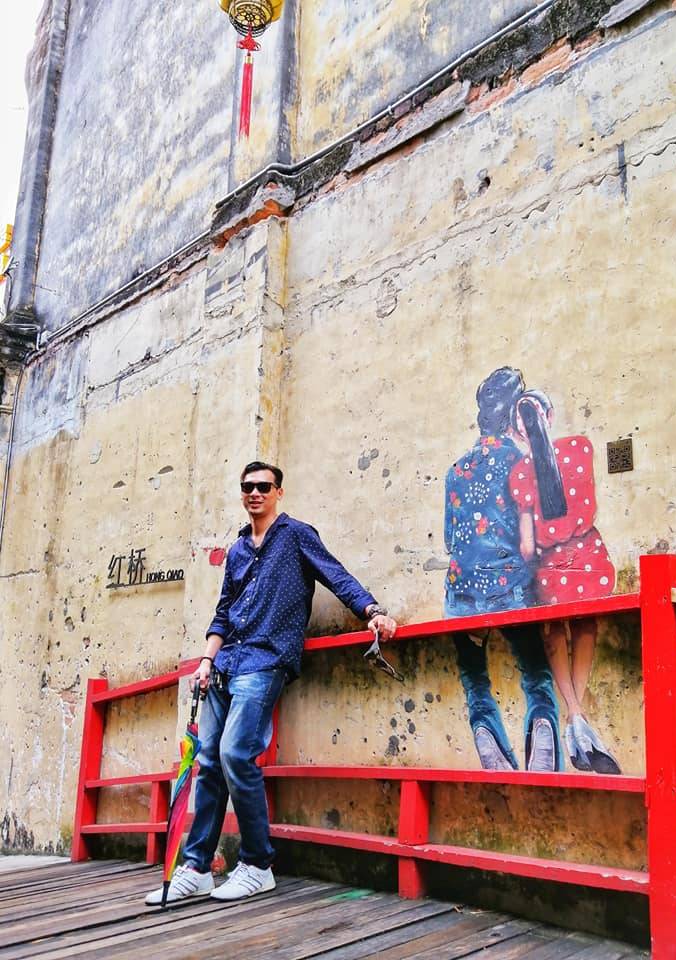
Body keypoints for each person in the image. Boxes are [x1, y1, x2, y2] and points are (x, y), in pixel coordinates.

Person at [146, 461, 396, 905]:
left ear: (279, 491)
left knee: (235, 753)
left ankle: (258, 865)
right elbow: (223, 611)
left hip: (265, 661)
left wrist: (372, 611)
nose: (255, 493)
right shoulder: (238, 550)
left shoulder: (297, 535)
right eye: (248, 487)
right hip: (224, 664)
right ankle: (197, 867)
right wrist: (206, 659)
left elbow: (335, 575)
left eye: (263, 486)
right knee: (208, 762)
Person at [444, 367, 562, 773]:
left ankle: (485, 732)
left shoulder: (456, 469)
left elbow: (450, 539)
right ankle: (543, 737)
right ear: (516, 411)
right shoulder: (521, 460)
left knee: (475, 679)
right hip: (509, 587)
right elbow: (539, 532)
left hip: (460, 593)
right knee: (535, 674)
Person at [509, 390, 620, 774]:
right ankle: (580, 722)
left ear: (517, 432)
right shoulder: (580, 449)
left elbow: (527, 547)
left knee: (554, 632)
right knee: (586, 625)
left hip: (551, 569)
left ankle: (574, 718)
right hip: (590, 559)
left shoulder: (520, 473)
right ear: (550, 416)